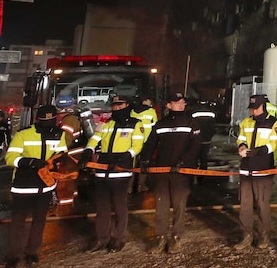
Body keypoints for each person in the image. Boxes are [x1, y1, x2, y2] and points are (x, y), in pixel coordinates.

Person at [3, 104, 68, 268]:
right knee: (18, 222)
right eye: (45, 120)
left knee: (39, 221)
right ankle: (13, 255)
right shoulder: (23, 134)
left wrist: (58, 160)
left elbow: (62, 152)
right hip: (23, 185)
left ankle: (32, 252)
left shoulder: (58, 134)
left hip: (45, 186)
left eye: (51, 120)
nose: (48, 123)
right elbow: (10, 158)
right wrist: (29, 162)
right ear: (37, 119)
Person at [80, 95, 146, 253]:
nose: (116, 107)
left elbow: (138, 145)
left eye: (120, 104)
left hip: (120, 172)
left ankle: (118, 239)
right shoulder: (105, 122)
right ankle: (101, 239)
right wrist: (88, 151)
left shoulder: (135, 124)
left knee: (119, 207)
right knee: (102, 208)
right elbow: (95, 138)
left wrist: (126, 155)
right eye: (114, 105)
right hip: (102, 171)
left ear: (127, 105)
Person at [140, 92, 201, 254]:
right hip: (162, 172)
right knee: (161, 206)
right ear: (168, 105)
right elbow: (150, 144)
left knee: (180, 206)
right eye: (176, 102)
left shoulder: (191, 123)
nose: (180, 105)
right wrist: (145, 161)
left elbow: (195, 147)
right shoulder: (160, 124)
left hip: (182, 173)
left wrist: (182, 163)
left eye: (182, 102)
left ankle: (175, 237)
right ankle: (161, 237)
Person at [234, 94, 277, 250]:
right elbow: (241, 138)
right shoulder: (246, 122)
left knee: (262, 204)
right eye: (252, 108)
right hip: (246, 169)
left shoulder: (274, 123)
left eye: (256, 108)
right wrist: (241, 146)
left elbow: (274, 145)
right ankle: (246, 236)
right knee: (245, 205)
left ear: (263, 106)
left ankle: (263, 236)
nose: (254, 111)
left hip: (263, 169)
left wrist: (256, 152)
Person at [131, 97, 158, 193]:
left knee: (132, 164)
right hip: (147, 142)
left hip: (133, 142)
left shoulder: (132, 111)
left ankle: (129, 186)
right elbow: (155, 127)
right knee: (144, 164)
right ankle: (141, 185)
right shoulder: (151, 112)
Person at [191, 98, 217, 174]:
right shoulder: (212, 113)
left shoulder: (194, 113)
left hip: (196, 139)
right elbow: (213, 127)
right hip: (207, 140)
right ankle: (203, 175)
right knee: (204, 158)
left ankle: (193, 174)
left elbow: (192, 126)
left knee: (194, 158)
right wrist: (210, 136)